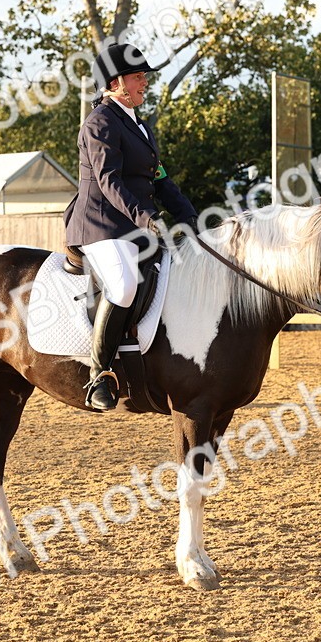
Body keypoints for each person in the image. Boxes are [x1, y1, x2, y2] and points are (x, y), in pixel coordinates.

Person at [64, 43, 198, 411]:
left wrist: (189, 216)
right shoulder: (100, 123)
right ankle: (99, 375)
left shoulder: (139, 126)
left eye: (143, 77)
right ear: (115, 83)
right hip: (101, 224)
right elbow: (109, 181)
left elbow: (160, 179)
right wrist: (148, 217)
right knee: (123, 286)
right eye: (138, 77)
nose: (145, 83)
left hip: (134, 224)